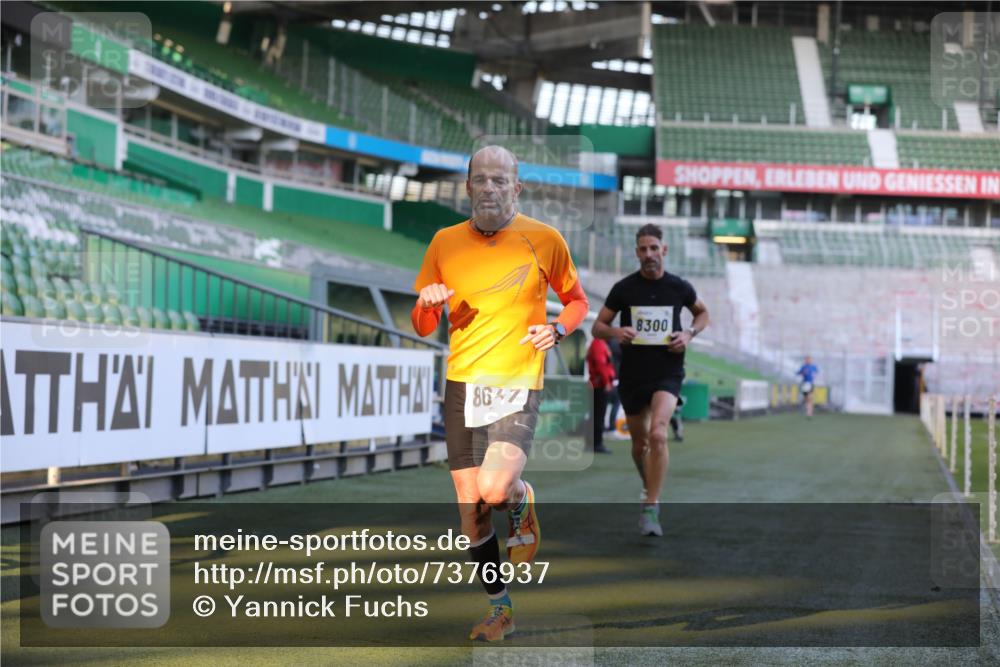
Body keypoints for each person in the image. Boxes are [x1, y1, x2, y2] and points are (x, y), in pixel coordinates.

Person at [411, 145, 588, 642]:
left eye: (499, 180)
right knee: (471, 513)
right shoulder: (444, 242)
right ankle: (500, 609)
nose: (489, 187)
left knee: (494, 490)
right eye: (480, 179)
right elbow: (424, 325)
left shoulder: (544, 239)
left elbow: (576, 300)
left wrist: (559, 328)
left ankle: (522, 498)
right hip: (461, 384)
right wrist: (428, 303)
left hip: (516, 381)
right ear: (467, 187)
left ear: (517, 187)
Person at [592, 223, 709, 537]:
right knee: (639, 443)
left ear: (664, 250)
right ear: (637, 253)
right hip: (633, 374)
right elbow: (597, 327)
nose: (649, 254)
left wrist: (689, 333)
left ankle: (651, 506)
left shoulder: (679, 287)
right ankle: (650, 489)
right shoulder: (624, 289)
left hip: (668, 372)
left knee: (658, 434)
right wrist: (616, 332)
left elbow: (702, 314)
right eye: (643, 249)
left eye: (654, 248)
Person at [585, 337, 614, 454]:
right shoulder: (598, 343)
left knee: (595, 415)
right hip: (599, 385)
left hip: (597, 384)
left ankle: (591, 443)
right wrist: (606, 382)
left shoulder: (598, 343)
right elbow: (600, 364)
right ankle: (596, 443)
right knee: (598, 416)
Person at [605, 338, 622, 434]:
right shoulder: (618, 354)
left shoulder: (608, 351)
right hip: (614, 381)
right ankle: (611, 427)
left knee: (604, 405)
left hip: (608, 381)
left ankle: (605, 426)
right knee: (616, 404)